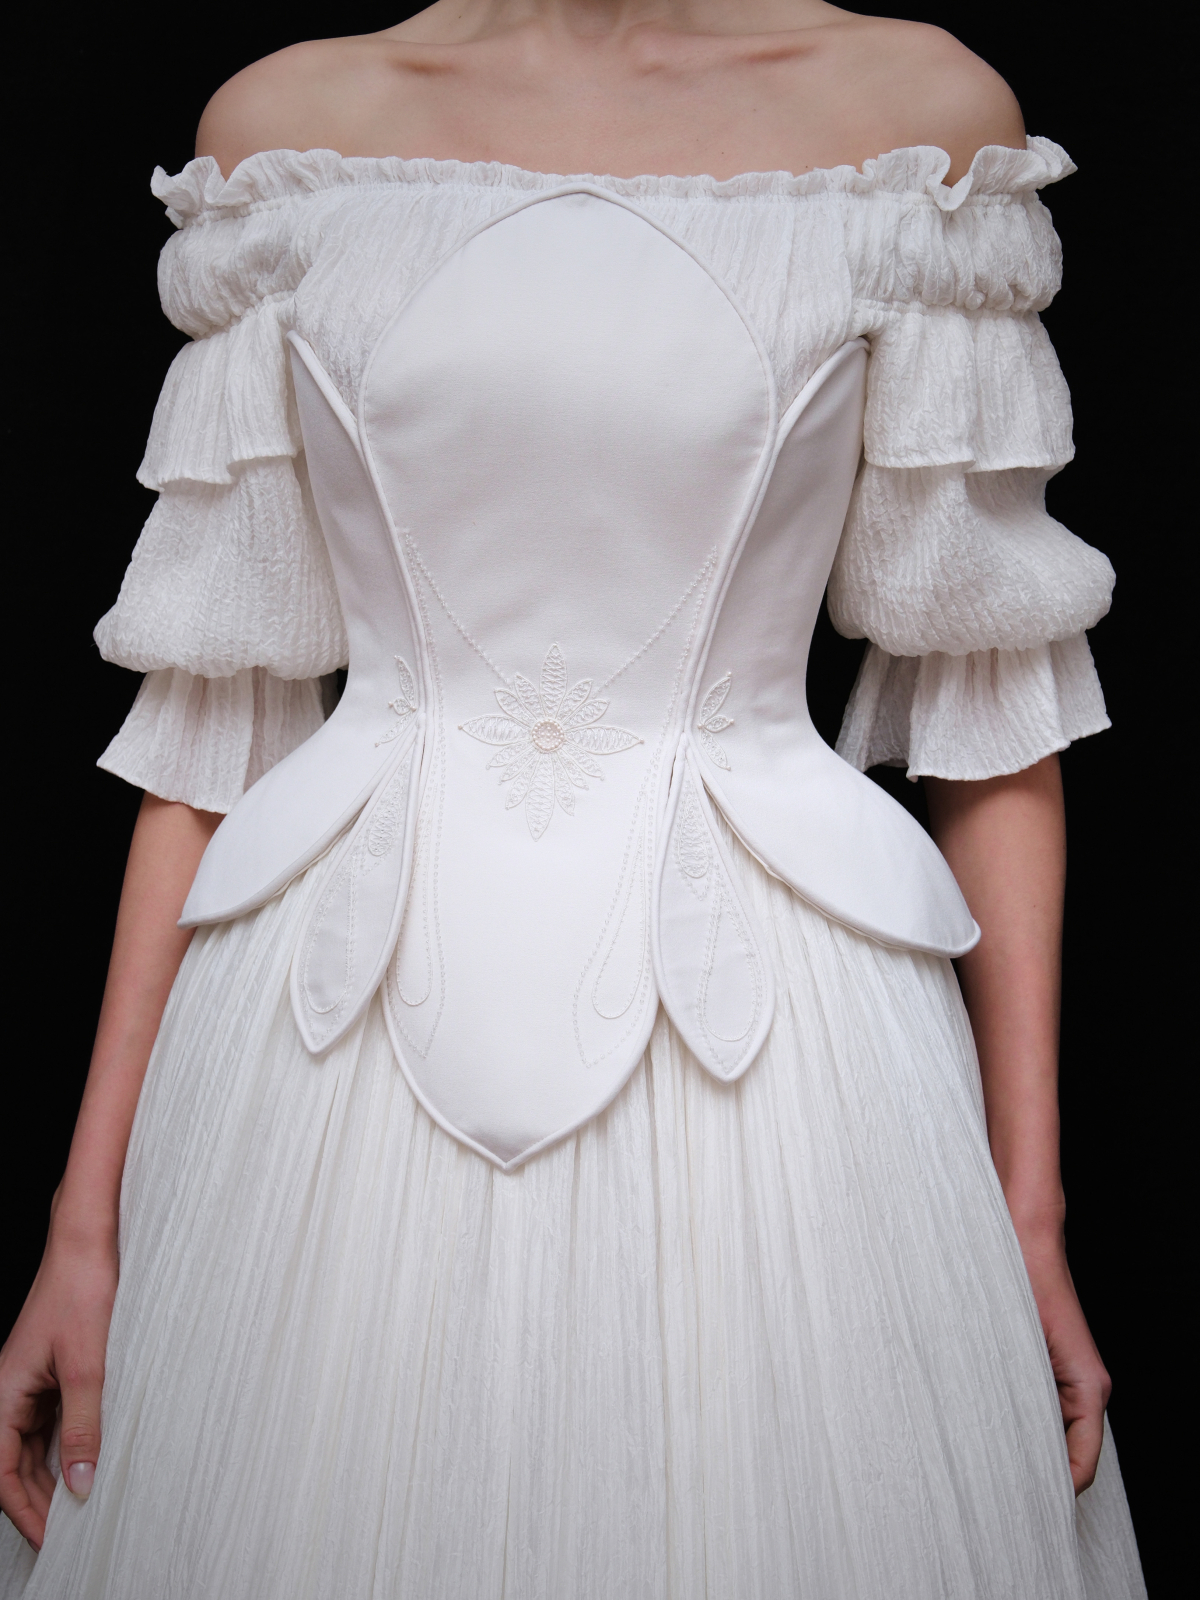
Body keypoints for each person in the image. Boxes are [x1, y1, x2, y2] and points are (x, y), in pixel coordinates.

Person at [0, 3, 1148, 1595]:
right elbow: (210, 730)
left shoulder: (916, 128)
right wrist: (85, 1222)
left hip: (786, 1054)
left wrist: (1029, 1213)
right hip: (321, 1045)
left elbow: (995, 708)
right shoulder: (284, 143)